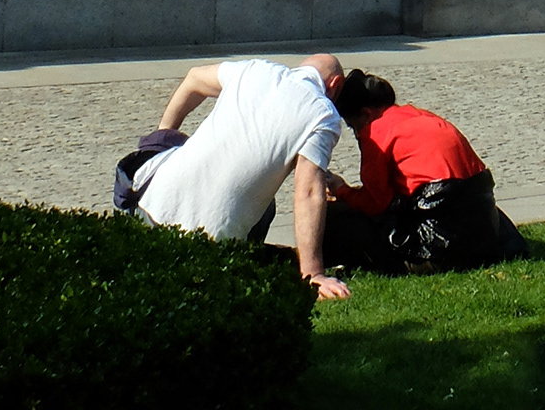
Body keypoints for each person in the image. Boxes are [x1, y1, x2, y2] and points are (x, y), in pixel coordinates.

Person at [131, 53, 351, 300]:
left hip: (148, 205)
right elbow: (308, 193)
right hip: (206, 245)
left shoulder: (254, 69)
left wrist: (163, 135)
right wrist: (313, 274)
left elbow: (194, 78)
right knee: (264, 204)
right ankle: (238, 260)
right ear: (334, 84)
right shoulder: (323, 114)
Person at [323, 71, 521, 272]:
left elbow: (375, 204)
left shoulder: (376, 132)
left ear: (366, 115)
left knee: (337, 217)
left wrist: (341, 190)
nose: (357, 134)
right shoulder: (423, 116)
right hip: (485, 236)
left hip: (439, 250)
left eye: (353, 127)